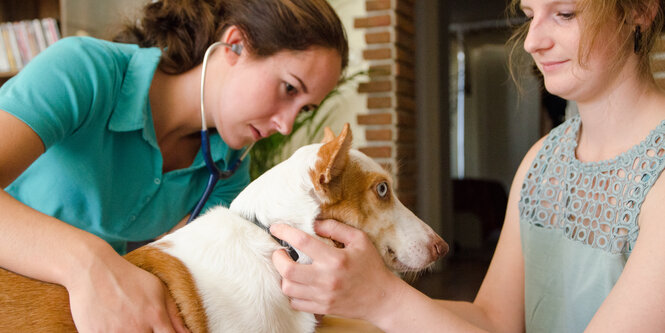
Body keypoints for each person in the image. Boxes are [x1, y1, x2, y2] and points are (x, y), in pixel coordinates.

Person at [269, 0, 665, 331]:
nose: (532, 42)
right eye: (530, 15)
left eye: (565, 13)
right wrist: (349, 304)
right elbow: (492, 320)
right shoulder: (541, 162)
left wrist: (384, 299)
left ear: (640, 10)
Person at [0, 0, 347, 331]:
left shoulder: (227, 170)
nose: (286, 125)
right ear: (235, 45)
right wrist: (87, 262)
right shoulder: (82, 70)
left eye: (304, 109)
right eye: (289, 88)